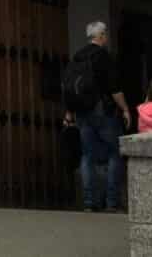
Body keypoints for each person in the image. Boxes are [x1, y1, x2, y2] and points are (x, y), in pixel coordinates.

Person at [63, 20, 131, 214]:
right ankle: (111, 202)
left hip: (82, 112)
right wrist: (125, 108)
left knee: (87, 155)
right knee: (114, 154)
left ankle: (89, 202)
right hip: (102, 111)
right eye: (105, 34)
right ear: (101, 36)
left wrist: (69, 112)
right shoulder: (103, 56)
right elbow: (114, 87)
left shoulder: (77, 56)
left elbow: (68, 87)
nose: (106, 38)